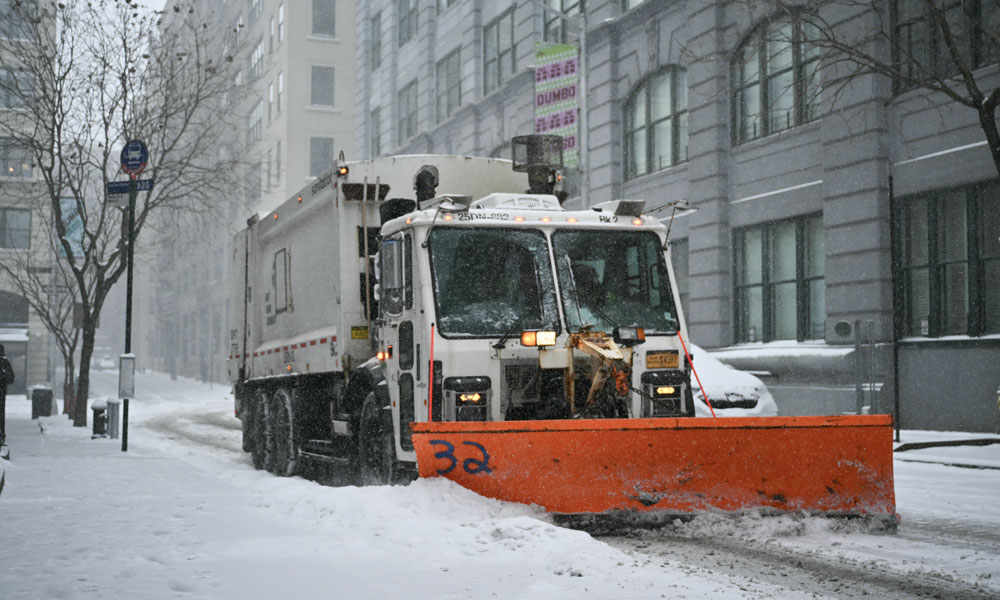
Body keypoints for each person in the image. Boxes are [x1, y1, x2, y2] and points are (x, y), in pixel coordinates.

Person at [0, 344, 13, 448]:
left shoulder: (4, 362)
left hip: (1, 393)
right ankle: (1, 436)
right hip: (1, 392)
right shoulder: (5, 362)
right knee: (1, 415)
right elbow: (11, 379)